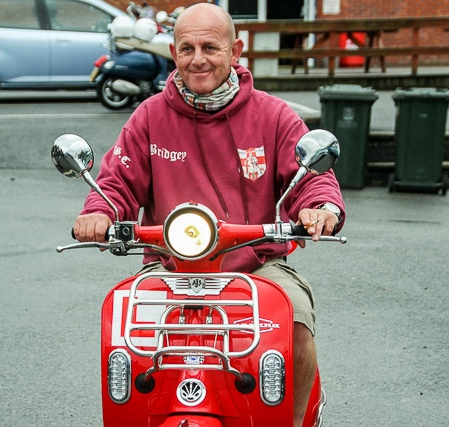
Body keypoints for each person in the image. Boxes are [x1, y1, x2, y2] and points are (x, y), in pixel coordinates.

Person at [73, 4, 345, 426]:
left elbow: (308, 177)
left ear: (236, 50)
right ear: (173, 52)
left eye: (210, 47)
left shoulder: (273, 116)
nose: (197, 58)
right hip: (167, 266)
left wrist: (319, 207)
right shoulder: (149, 117)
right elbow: (117, 183)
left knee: (295, 325)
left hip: (257, 266)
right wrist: (99, 212)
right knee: (123, 336)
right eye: (187, 48)